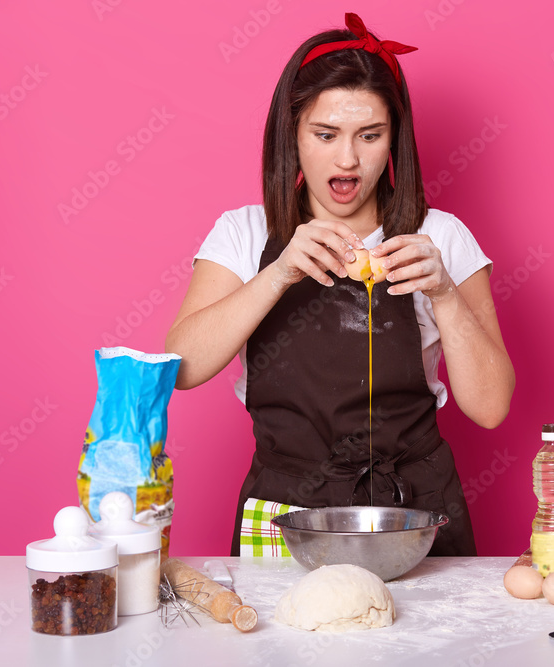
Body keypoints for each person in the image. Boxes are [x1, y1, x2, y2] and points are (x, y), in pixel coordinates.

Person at [165, 13, 514, 556]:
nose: (347, 158)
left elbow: (491, 407)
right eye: (325, 134)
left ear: (394, 138)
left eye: (370, 135)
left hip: (413, 508)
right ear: (292, 133)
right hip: (285, 508)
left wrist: (444, 293)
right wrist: (278, 272)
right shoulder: (242, 232)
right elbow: (181, 368)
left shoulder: (440, 236)